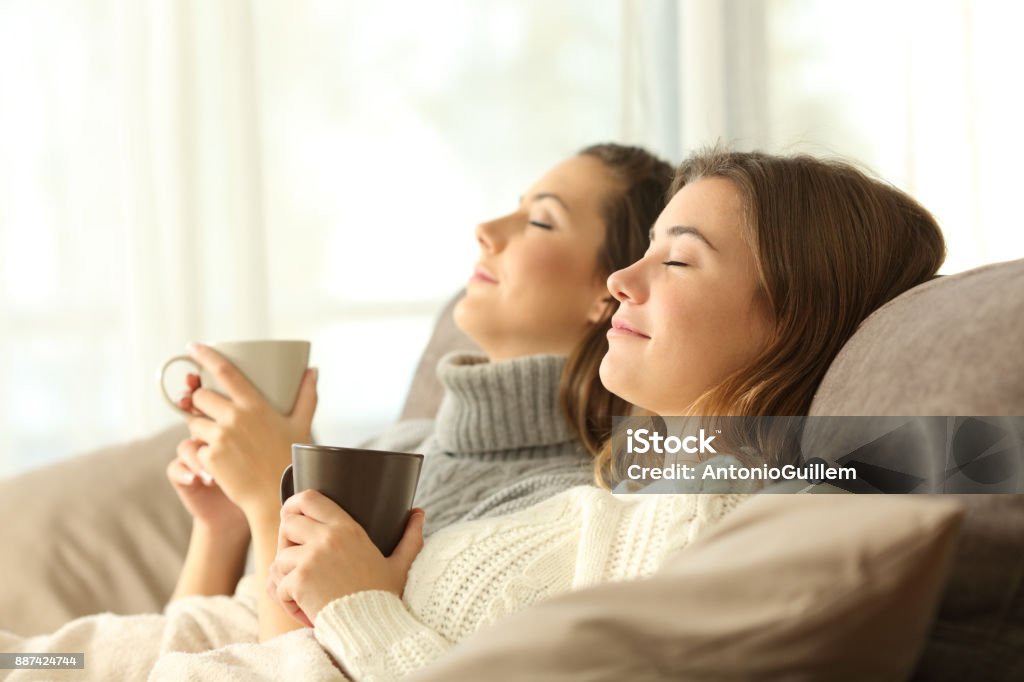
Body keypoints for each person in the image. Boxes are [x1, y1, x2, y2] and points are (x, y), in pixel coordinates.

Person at [141, 147, 945, 680]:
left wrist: (346, 595)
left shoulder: (730, 513)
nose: (620, 285)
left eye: (676, 259)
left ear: (793, 312)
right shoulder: (618, 498)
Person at [0, 143, 674, 678]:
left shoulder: (559, 503)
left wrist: (273, 496)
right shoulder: (402, 442)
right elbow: (206, 641)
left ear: (613, 292)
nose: (486, 231)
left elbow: (291, 665)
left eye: (539, 220)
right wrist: (222, 526)